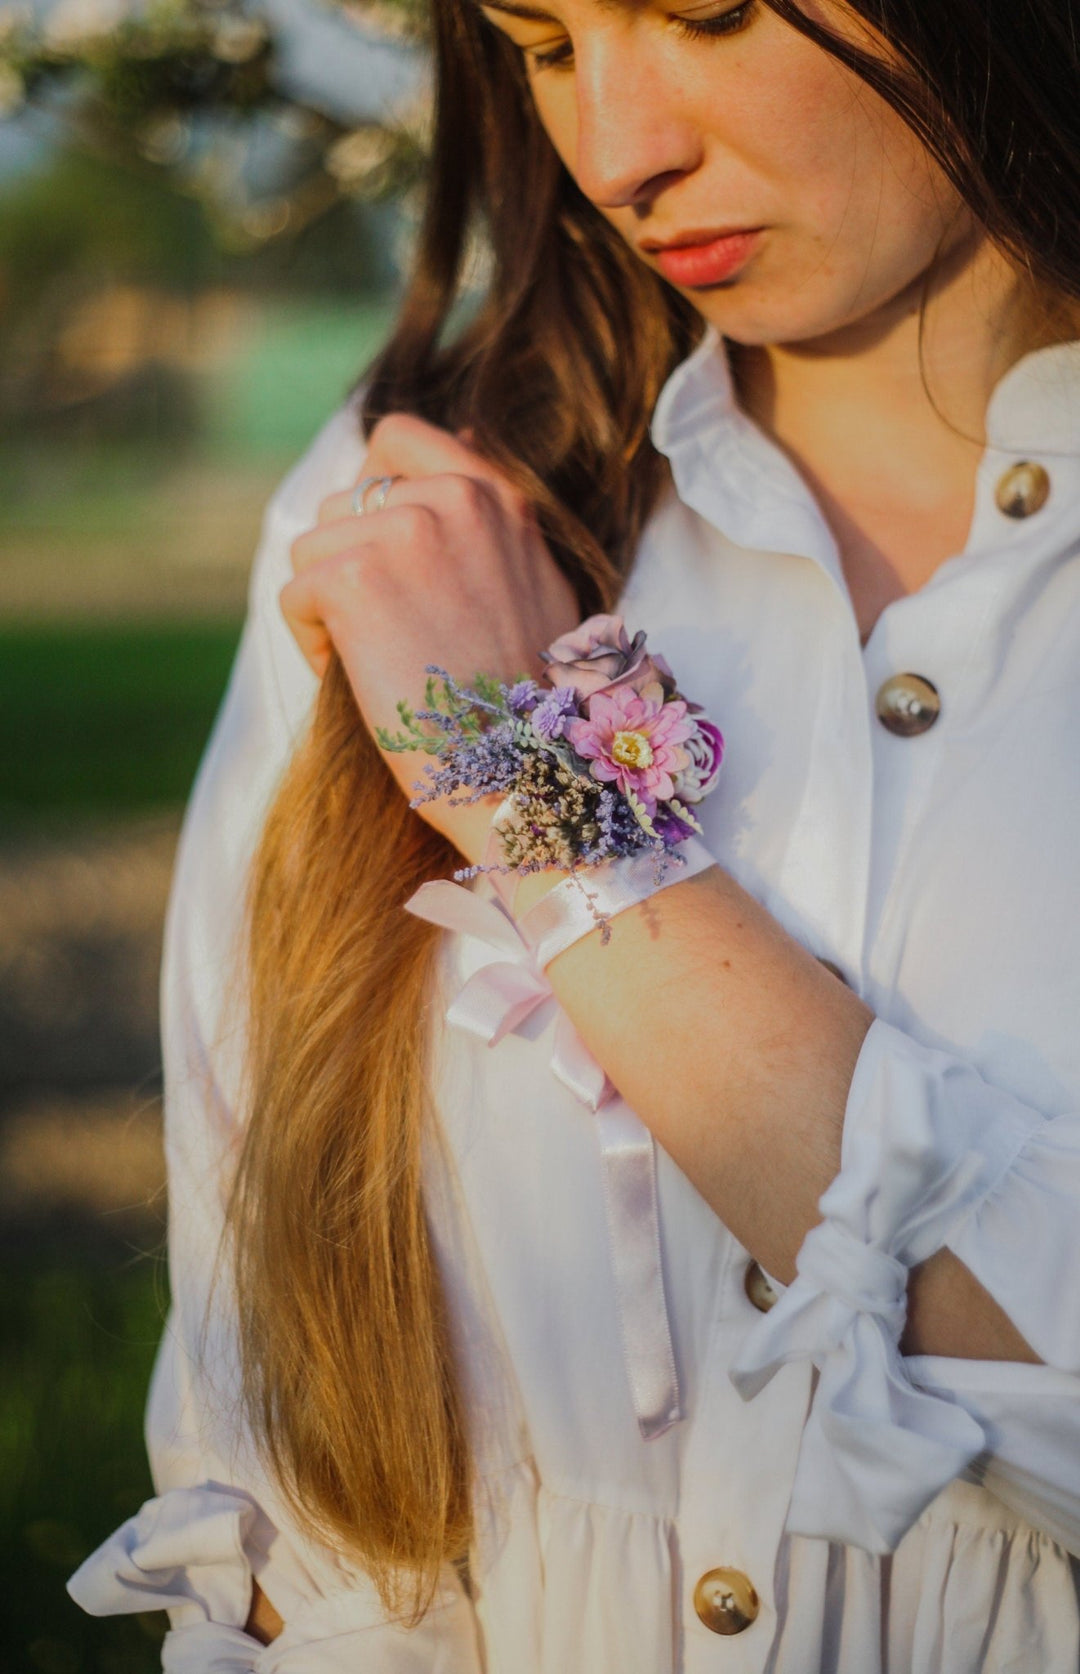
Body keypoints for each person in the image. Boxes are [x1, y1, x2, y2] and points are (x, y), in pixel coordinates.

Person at [68, 0, 1080, 1668]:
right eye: (540, 43)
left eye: (707, 12)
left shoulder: (459, 624)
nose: (619, 154)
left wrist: (540, 794)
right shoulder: (409, 509)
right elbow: (270, 1422)